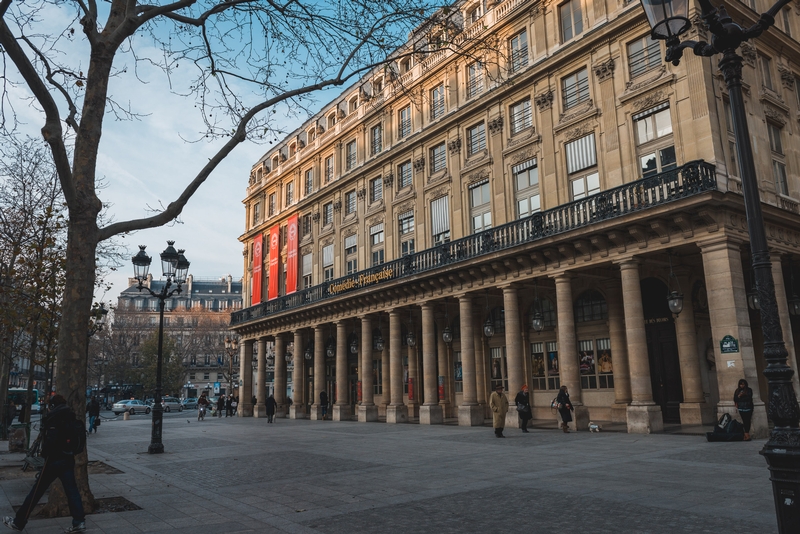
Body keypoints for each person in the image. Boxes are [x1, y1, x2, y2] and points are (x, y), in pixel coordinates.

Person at [4, 394, 86, 533]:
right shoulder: (69, 415)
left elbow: (51, 442)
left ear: (52, 406)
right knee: (72, 492)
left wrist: (44, 454)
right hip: (68, 459)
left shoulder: (54, 418)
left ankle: (19, 522)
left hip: (53, 461)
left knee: (36, 492)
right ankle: (79, 522)